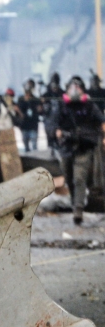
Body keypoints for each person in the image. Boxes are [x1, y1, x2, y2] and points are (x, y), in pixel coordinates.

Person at [55, 75, 105, 226]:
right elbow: (52, 123)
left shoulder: (89, 107)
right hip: (66, 148)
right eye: (71, 87)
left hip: (84, 147)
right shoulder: (61, 107)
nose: (74, 90)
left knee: (79, 178)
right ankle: (74, 203)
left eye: (77, 87)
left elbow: (101, 121)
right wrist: (56, 132)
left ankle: (78, 210)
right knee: (69, 178)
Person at [16, 80, 42, 153]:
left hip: (33, 126)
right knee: (26, 146)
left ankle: (35, 161)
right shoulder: (21, 99)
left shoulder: (36, 99)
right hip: (24, 126)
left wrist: (40, 108)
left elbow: (40, 111)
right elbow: (19, 113)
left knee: (34, 146)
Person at [43, 72, 64, 155]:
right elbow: (43, 109)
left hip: (59, 120)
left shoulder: (62, 93)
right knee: (50, 140)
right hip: (49, 121)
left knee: (59, 139)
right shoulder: (46, 94)